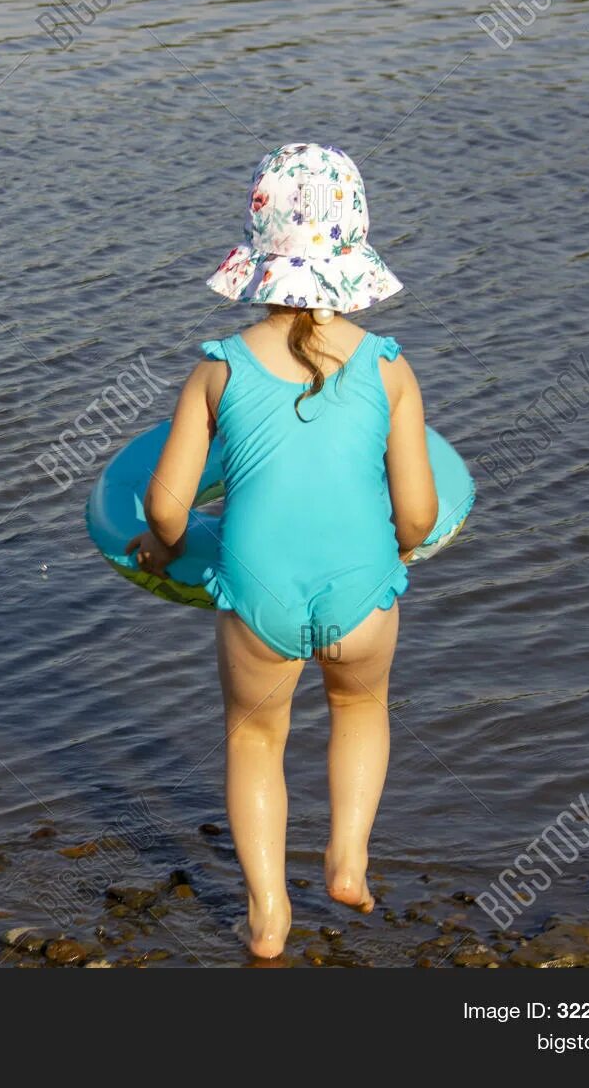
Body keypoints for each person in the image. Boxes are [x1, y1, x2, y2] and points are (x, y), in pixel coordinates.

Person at [127, 143, 437, 959]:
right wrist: (401, 555)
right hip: (362, 589)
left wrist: (168, 551)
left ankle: (267, 917)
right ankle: (347, 860)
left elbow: (166, 507)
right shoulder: (388, 366)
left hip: (258, 590)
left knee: (254, 737)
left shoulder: (218, 370)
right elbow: (417, 510)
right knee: (360, 707)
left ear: (257, 252)